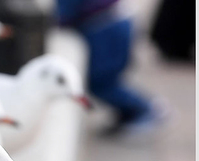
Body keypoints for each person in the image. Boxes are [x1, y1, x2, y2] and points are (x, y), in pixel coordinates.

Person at [56, 0, 163, 134]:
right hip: (108, 23)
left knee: (102, 83)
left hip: (105, 25)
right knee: (103, 81)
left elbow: (62, 12)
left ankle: (146, 109)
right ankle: (131, 113)